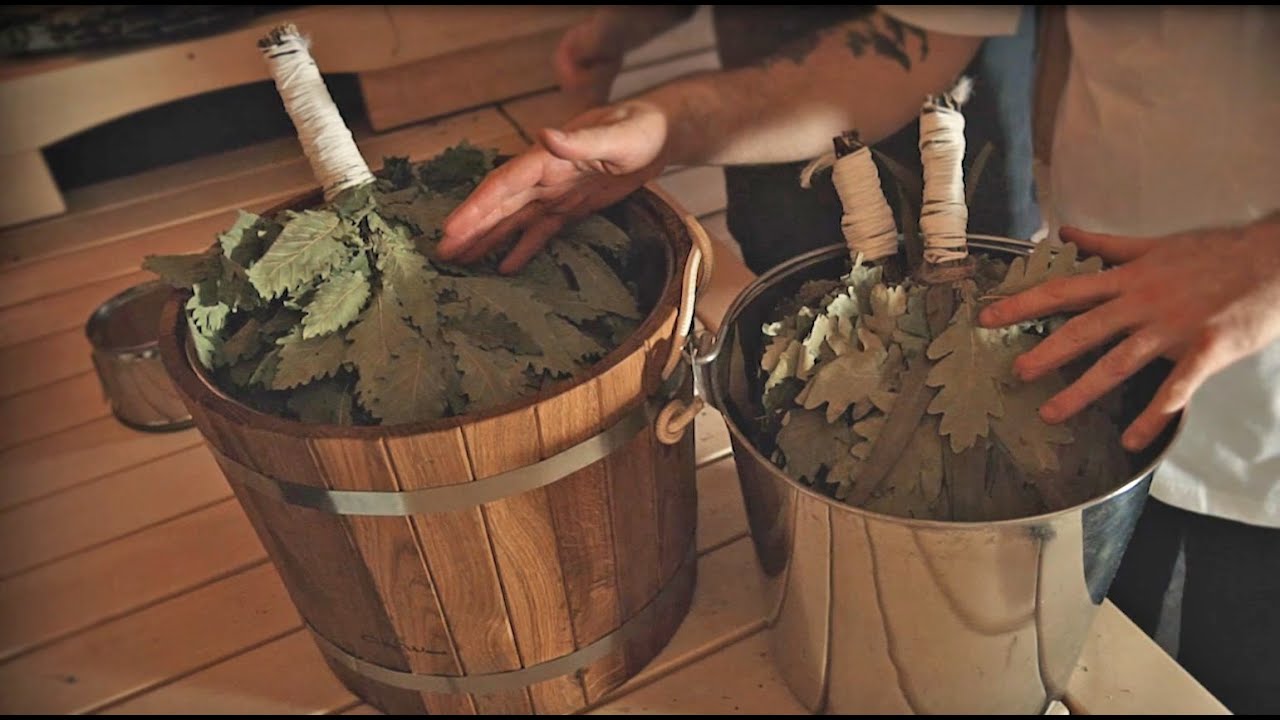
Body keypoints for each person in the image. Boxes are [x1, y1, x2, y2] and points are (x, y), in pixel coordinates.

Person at [437, 6, 1280, 713]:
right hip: (1093, 362)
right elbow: (914, 42)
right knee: (1109, 640)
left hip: (1265, 444)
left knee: (1226, 669)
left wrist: (1262, 262)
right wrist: (666, 126)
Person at [552, 5, 1042, 274]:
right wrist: (620, 26)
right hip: (767, 78)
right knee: (796, 274)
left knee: (978, 271)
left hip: (952, 79)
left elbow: (921, 46)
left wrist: (668, 125)